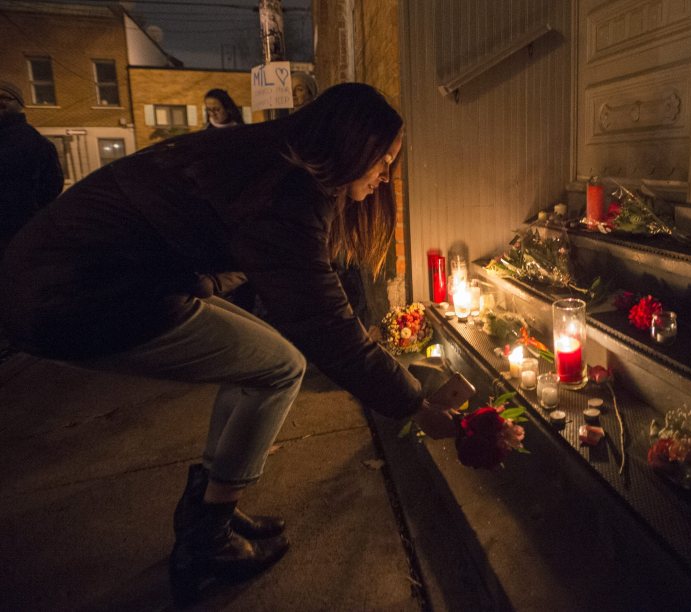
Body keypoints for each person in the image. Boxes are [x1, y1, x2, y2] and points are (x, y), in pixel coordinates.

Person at [0, 82, 459, 605]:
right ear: (348, 145)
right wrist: (414, 404)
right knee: (280, 366)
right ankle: (207, 539)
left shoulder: (266, 159)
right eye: (382, 160)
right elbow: (326, 328)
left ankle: (210, 504)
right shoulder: (287, 192)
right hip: (77, 293)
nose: (385, 176)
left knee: (264, 359)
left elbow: (211, 246)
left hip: (85, 277)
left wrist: (205, 284)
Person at [0, 80, 63, 255]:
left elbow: (52, 184)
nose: (0, 102)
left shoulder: (34, 142)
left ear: (19, 105)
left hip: (17, 228)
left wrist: (28, 206)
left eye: (6, 97)